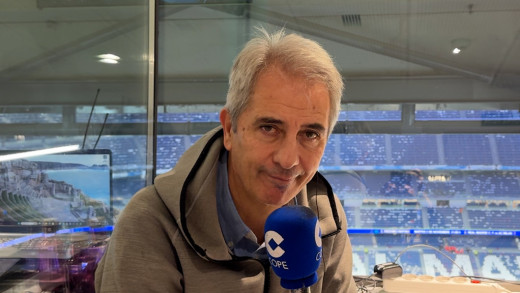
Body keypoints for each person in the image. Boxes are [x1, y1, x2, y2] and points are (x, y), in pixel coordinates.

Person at [95, 28, 357, 293]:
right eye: (269, 128)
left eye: (310, 134)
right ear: (230, 129)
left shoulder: (323, 213)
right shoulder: (150, 224)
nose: (288, 160)